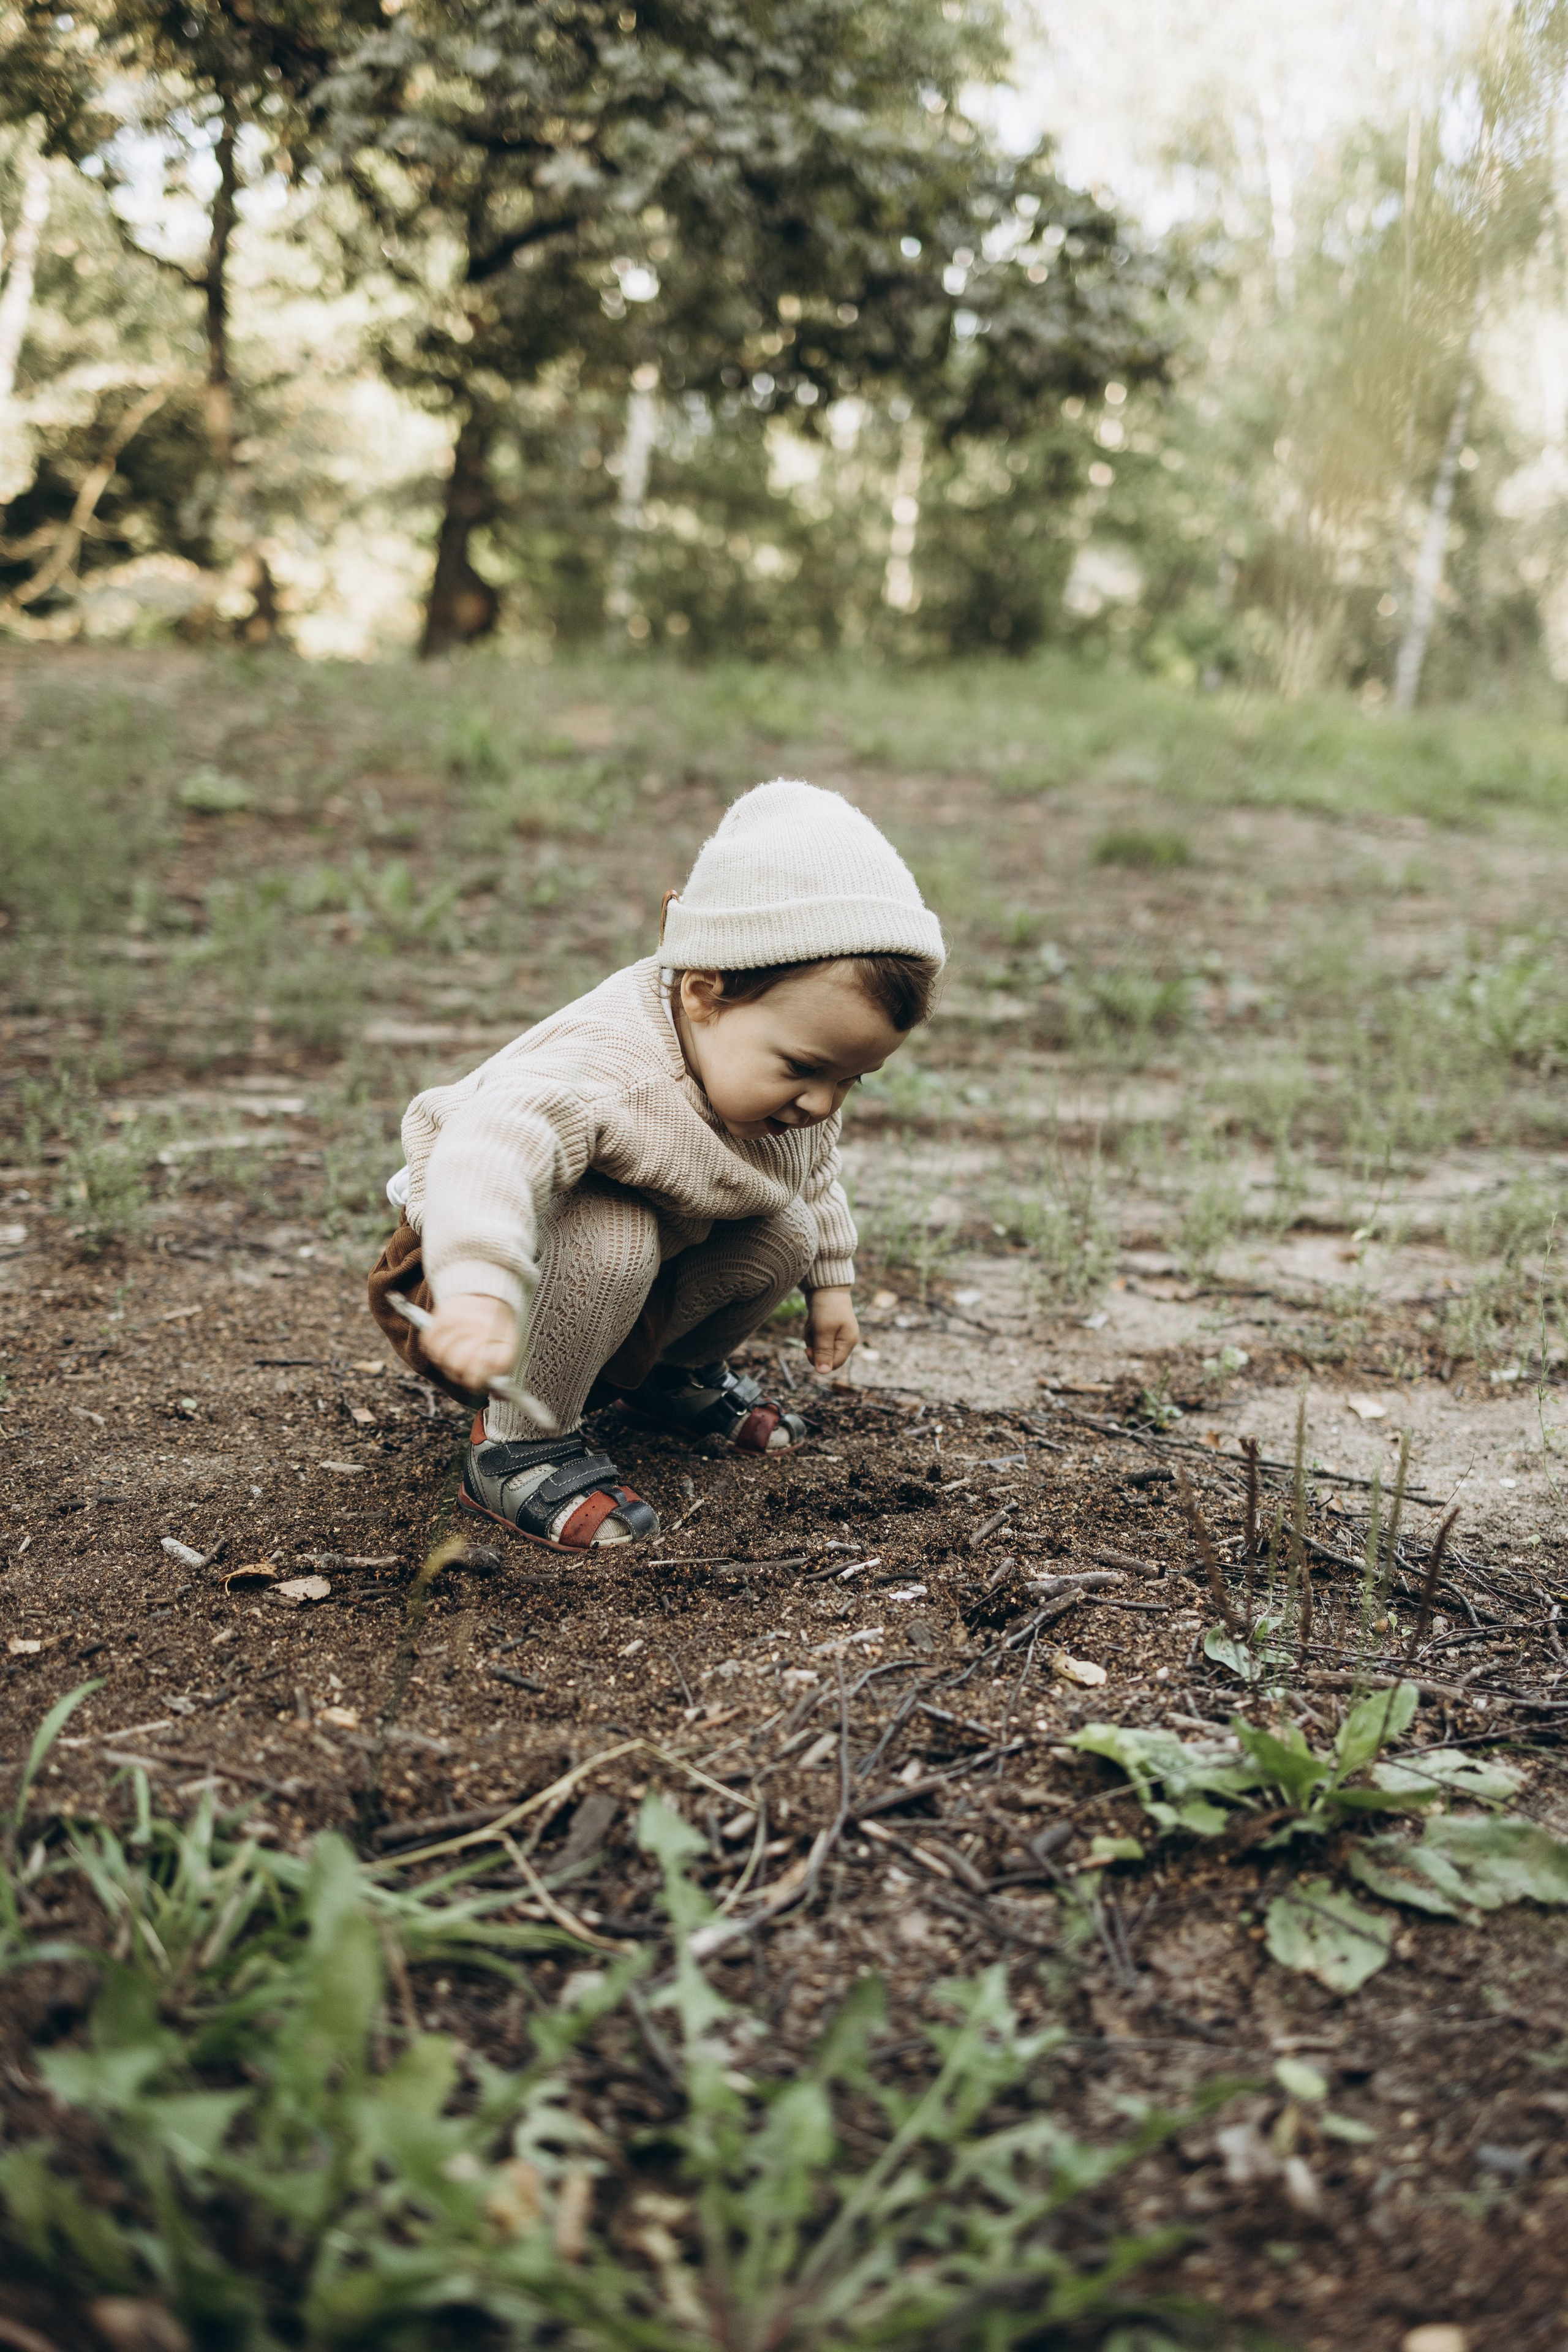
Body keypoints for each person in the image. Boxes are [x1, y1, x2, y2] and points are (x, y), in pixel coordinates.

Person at [368, 778, 944, 1552]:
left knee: (786, 1228)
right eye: (806, 1068)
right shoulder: (610, 1066)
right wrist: (477, 1288)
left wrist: (831, 1286)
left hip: (609, 1288)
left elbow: (810, 1169)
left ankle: (667, 1381)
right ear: (706, 993)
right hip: (465, 1271)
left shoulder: (779, 1087)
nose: (823, 1102)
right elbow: (490, 1153)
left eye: (851, 1078)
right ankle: (514, 1446)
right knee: (614, 1234)